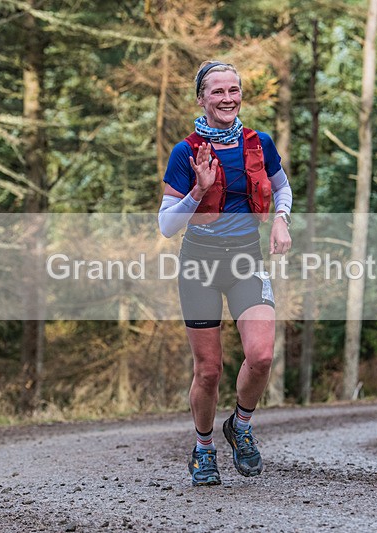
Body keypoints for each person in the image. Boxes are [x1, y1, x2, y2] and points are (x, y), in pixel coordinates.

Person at [158, 60, 292, 486]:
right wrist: (198, 190)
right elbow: (166, 225)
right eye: (217, 91)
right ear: (201, 98)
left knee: (262, 355)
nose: (227, 98)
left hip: (246, 259)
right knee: (209, 370)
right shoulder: (185, 152)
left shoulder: (259, 142)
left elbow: (282, 186)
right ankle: (203, 449)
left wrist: (281, 219)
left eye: (233, 90)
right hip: (199, 263)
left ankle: (241, 425)